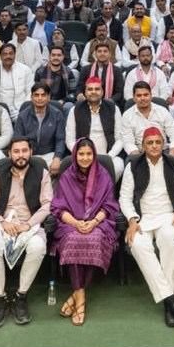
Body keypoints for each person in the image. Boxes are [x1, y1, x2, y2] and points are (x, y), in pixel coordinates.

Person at [119, 128, 174, 330]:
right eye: (150, 142)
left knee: (170, 238)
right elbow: (124, 198)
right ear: (143, 146)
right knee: (136, 244)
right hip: (142, 218)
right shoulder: (133, 166)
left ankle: (169, 305)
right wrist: (132, 220)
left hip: (167, 215)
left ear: (163, 144)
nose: (154, 146)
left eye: (157, 142)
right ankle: (172, 301)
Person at [0, 138, 52, 327]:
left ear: (31, 152)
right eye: (16, 151)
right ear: (9, 154)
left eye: (24, 151)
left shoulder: (41, 172)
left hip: (30, 224)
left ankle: (21, 295)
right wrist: (1, 222)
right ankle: (0, 297)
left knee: (38, 247)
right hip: (3, 224)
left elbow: (47, 205)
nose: (21, 155)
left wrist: (28, 224)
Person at [51, 138, 121, 326]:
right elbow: (58, 208)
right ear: (75, 155)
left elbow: (110, 205)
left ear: (94, 155)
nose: (85, 158)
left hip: (99, 223)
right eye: (81, 154)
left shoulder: (103, 175)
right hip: (71, 223)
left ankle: (76, 295)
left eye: (89, 154)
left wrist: (93, 222)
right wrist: (76, 223)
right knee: (74, 240)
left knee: (94, 240)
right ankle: (80, 296)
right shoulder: (67, 176)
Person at [65, 76, 125, 174]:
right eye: (90, 89)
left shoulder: (113, 108)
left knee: (118, 167)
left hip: (108, 154)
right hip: (83, 156)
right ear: (85, 92)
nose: (93, 92)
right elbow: (70, 140)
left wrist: (109, 156)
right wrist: (81, 154)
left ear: (102, 92)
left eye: (97, 89)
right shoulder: (75, 110)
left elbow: (120, 138)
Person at [13, 83, 68, 175]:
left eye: (43, 95)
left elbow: (60, 139)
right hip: (28, 155)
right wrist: (24, 156)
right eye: (36, 95)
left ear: (49, 97)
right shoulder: (23, 116)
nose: (40, 98)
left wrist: (57, 158)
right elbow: (17, 139)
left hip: (50, 155)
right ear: (31, 97)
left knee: (58, 170)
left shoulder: (57, 114)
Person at [121, 81, 174, 158]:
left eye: (146, 95)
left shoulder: (162, 111)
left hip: (164, 151)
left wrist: (171, 155)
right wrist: (139, 159)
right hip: (139, 153)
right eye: (139, 95)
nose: (142, 98)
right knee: (130, 162)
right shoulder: (127, 115)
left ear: (151, 96)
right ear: (134, 98)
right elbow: (128, 142)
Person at [0, 43, 35, 117]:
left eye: (11, 53)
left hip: (19, 110)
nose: (8, 56)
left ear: (15, 55)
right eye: (5, 54)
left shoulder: (25, 70)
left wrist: (24, 110)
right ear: (0, 56)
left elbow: (30, 92)